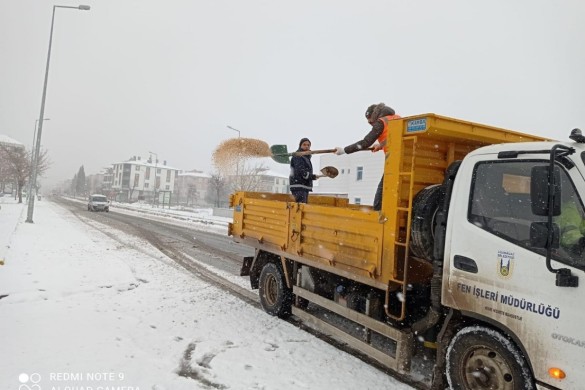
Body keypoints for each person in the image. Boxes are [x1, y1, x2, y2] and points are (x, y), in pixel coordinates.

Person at [334, 103, 401, 211]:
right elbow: (395, 137)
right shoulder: (397, 118)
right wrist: (381, 145)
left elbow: (365, 142)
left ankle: (378, 219)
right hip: (405, 158)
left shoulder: (381, 122)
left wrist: (344, 150)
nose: (370, 124)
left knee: (381, 194)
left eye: (370, 121)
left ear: (374, 115)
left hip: (394, 160)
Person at [289, 137, 318, 203]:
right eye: (304, 144)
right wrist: (312, 176)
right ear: (300, 146)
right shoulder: (298, 156)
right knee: (300, 208)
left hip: (303, 186)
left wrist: (312, 176)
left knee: (302, 207)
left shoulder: (306, 157)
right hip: (299, 186)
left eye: (308, 145)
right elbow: (301, 171)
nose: (306, 146)